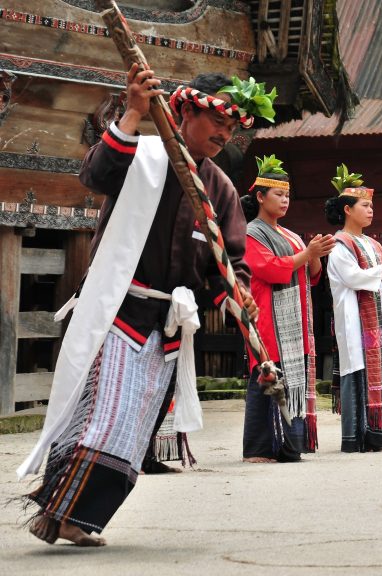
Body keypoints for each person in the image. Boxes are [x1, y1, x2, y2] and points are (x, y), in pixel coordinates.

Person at [18, 64, 261, 546]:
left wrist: (239, 298)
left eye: (231, 126)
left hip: (166, 321)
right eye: (218, 121)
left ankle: (77, 517)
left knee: (133, 427)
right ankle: (57, 508)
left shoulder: (220, 189)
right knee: (103, 413)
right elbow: (95, 174)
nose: (224, 133)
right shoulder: (144, 153)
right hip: (118, 307)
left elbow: (228, 264)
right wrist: (132, 112)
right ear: (185, 112)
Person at [242, 155, 335, 463]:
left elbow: (312, 276)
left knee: (290, 378)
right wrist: (306, 254)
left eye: (287, 195)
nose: (284, 200)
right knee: (266, 374)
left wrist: (315, 255)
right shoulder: (252, 233)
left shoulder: (291, 235)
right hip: (267, 315)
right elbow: (269, 269)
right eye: (278, 194)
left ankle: (289, 445)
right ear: (260, 197)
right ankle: (258, 448)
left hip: (295, 318)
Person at [325, 165, 382, 452]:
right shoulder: (339, 245)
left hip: (377, 320)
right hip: (354, 319)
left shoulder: (373, 244)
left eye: (372, 206)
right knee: (357, 373)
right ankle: (355, 438)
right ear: (347, 209)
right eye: (364, 205)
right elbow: (353, 278)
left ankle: (376, 436)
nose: (370, 210)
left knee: (377, 372)